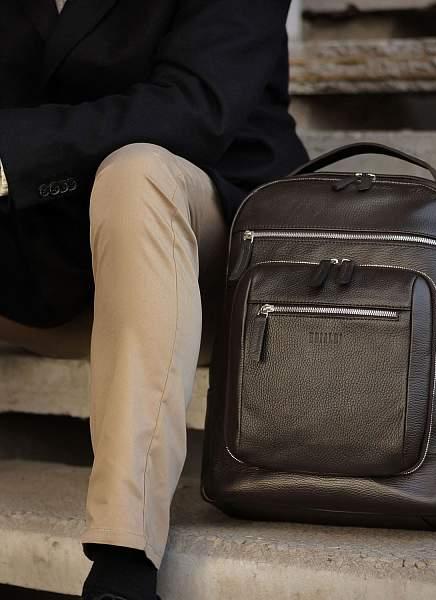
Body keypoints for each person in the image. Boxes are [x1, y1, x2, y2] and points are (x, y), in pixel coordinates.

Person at [0, 1, 308, 599]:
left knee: (135, 171)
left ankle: (124, 553)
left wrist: (11, 152)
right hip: (51, 251)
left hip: (211, 241)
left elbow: (194, 110)